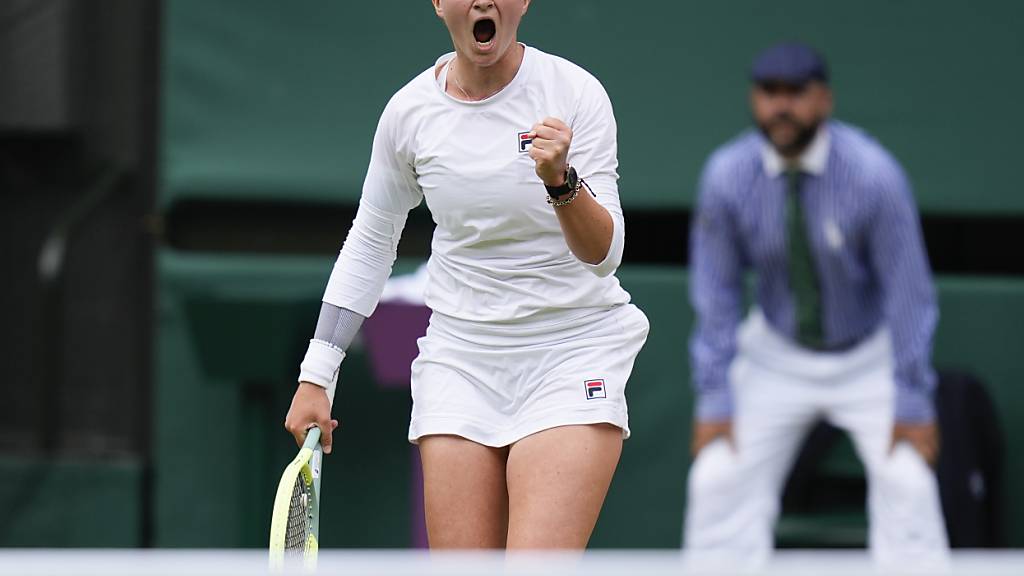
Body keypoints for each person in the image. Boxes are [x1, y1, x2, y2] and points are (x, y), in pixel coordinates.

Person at [284, 0, 649, 550]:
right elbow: (369, 243)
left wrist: (561, 181)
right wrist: (318, 373)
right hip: (461, 359)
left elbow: (604, 254)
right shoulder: (409, 114)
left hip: (572, 352)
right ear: (438, 3)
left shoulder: (575, 93)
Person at [684, 43, 949, 566]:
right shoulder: (727, 176)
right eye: (769, 92)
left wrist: (913, 395)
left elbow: (910, 293)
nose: (781, 107)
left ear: (824, 99)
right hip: (775, 354)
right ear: (753, 99)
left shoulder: (875, 175)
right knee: (716, 478)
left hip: (867, 354)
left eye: (796, 93)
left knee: (909, 483)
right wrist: (714, 393)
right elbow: (715, 294)